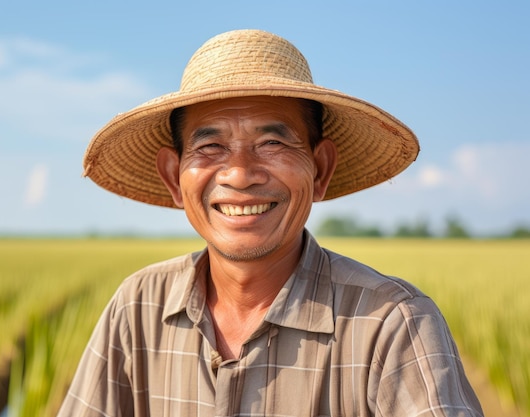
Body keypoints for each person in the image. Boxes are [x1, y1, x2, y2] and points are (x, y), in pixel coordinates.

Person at [57, 29, 483, 416]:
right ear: (173, 177)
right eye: (211, 146)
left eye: (273, 142)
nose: (240, 174)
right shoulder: (138, 307)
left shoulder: (391, 324)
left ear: (319, 169)